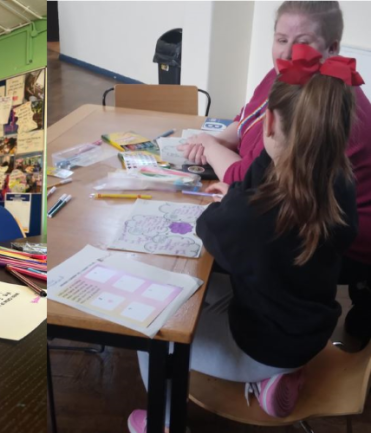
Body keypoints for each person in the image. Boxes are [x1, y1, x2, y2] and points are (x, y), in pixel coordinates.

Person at [129, 45, 361, 432]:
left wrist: (232, 201)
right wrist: (236, 198)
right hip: (311, 327)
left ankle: (164, 422)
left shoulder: (250, 218)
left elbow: (209, 229)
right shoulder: (341, 181)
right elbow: (254, 187)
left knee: (148, 322)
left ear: (267, 124)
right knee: (217, 284)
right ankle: (276, 377)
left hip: (262, 343)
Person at [180, 0, 371, 344]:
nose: (287, 51)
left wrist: (212, 150)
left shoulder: (325, 116)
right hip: (308, 301)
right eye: (281, 38)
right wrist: (221, 137)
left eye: (303, 41)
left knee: (199, 277)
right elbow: (248, 115)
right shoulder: (291, 78)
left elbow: (252, 184)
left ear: (332, 48)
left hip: (325, 242)